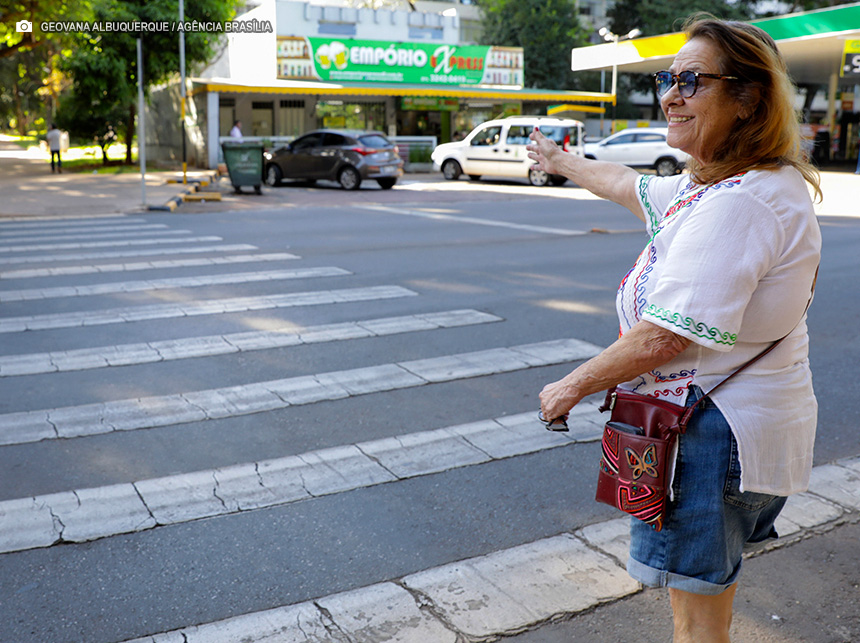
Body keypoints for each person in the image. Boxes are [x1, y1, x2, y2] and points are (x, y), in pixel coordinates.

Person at [527, 16, 821, 642]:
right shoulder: (715, 182)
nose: (670, 96)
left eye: (692, 81)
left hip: (709, 435)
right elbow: (628, 186)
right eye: (668, 78)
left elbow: (668, 336)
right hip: (737, 426)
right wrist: (560, 160)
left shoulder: (741, 201)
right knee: (708, 595)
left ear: (747, 99)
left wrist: (569, 386)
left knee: (696, 625)